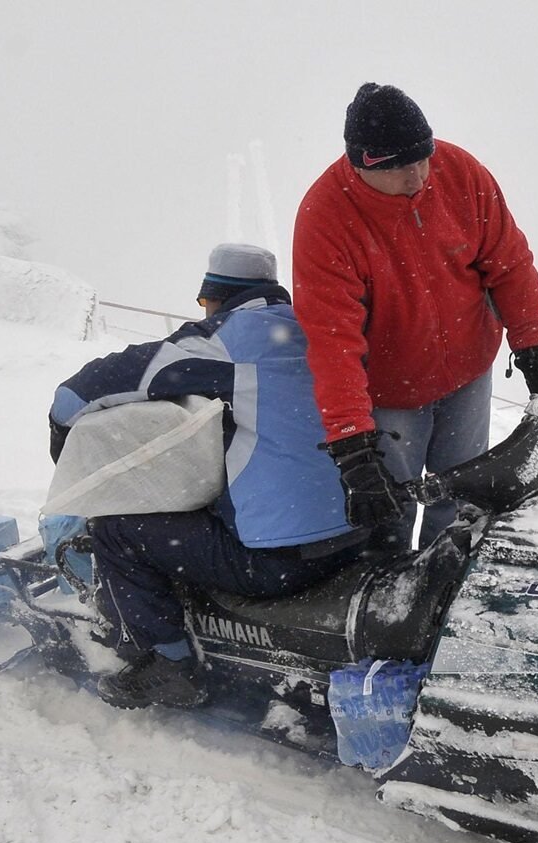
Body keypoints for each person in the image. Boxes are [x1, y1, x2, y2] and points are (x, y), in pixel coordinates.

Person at [48, 244, 367, 709]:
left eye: (204, 302)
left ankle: (167, 663)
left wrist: (61, 437)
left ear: (217, 297)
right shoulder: (318, 327)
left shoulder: (221, 340)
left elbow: (80, 392)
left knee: (115, 530)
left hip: (278, 563)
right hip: (355, 537)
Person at [292, 82, 538, 549]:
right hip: (391, 392)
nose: (420, 175)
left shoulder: (460, 171)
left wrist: (536, 351)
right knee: (392, 509)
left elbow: (510, 264)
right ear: (365, 162)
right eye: (403, 167)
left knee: (464, 501)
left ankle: (451, 588)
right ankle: (396, 598)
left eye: (423, 157)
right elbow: (331, 341)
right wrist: (353, 448)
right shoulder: (325, 218)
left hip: (467, 374)